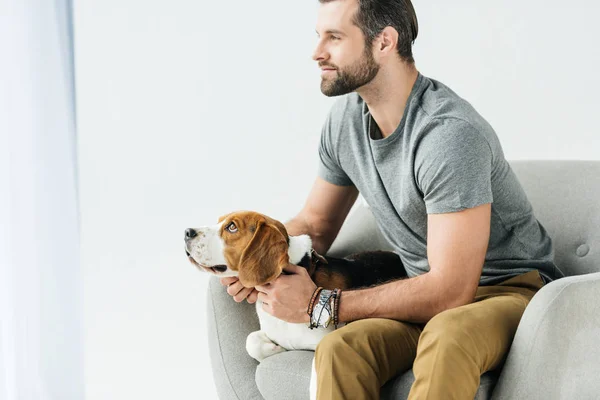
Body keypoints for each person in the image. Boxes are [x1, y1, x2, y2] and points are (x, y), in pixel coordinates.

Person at [220, 0, 563, 398]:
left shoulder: (447, 135)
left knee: (449, 332)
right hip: (421, 289)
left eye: (334, 37)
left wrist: (321, 303)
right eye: (319, 36)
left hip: (508, 291)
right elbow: (315, 225)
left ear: (384, 42)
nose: (317, 52)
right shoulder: (346, 119)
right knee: (340, 349)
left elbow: (452, 291)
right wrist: (250, 259)